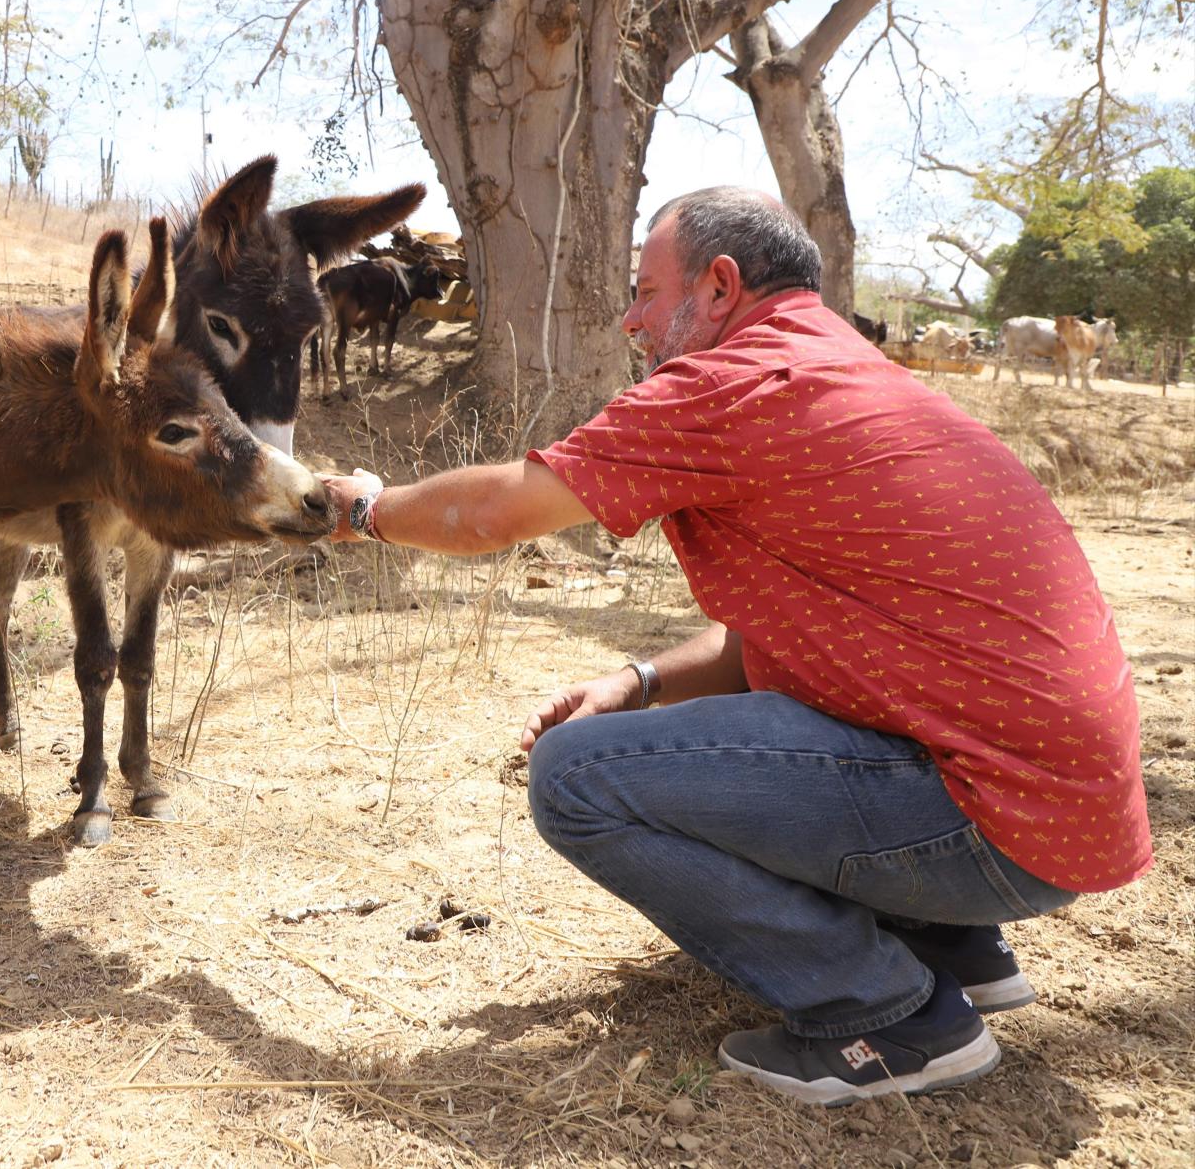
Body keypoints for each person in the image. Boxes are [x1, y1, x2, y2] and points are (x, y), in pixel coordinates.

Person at [320, 188, 1150, 1107]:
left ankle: (890, 1014)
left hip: (988, 824)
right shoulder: (848, 368)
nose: (632, 320)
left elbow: (491, 513)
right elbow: (772, 642)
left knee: (574, 778)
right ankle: (944, 940)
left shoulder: (729, 382)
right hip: (1061, 818)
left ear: (719, 286)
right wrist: (635, 682)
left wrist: (366, 507)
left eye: (644, 289)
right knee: (748, 713)